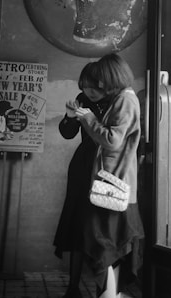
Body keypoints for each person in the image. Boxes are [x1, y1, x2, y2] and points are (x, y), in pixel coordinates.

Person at [74, 53, 144, 298]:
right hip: (112, 186)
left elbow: (113, 140)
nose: (99, 85)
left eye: (101, 79)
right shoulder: (124, 99)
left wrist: (88, 118)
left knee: (104, 248)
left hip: (113, 188)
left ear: (112, 77)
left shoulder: (125, 101)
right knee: (108, 250)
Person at [53, 62, 111, 298]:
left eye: (93, 88)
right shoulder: (82, 99)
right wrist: (69, 116)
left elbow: (114, 137)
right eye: (85, 88)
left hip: (107, 166)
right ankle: (73, 287)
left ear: (104, 83)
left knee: (102, 227)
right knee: (77, 224)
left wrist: (90, 118)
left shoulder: (117, 100)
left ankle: (104, 290)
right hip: (82, 166)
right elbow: (68, 133)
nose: (88, 93)